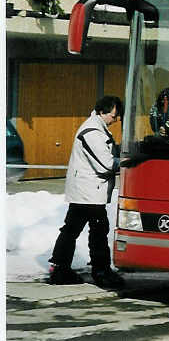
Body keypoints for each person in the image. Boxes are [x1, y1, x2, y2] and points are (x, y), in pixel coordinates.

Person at [48, 96, 125, 288]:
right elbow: (105, 164)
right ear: (101, 112)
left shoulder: (97, 128)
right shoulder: (92, 132)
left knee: (72, 229)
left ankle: (60, 268)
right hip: (88, 191)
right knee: (98, 230)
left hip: (86, 190)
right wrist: (126, 162)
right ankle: (101, 271)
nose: (115, 120)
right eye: (114, 116)